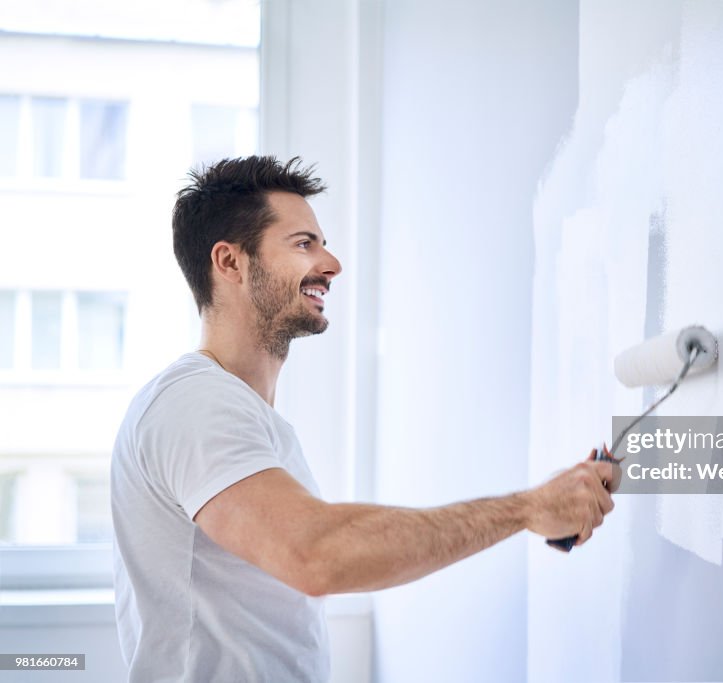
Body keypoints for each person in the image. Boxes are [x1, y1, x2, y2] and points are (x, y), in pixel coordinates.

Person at [110, 155, 618, 682]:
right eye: (304, 243)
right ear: (231, 262)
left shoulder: (243, 414)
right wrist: (528, 509)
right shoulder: (194, 403)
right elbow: (318, 555)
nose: (331, 263)